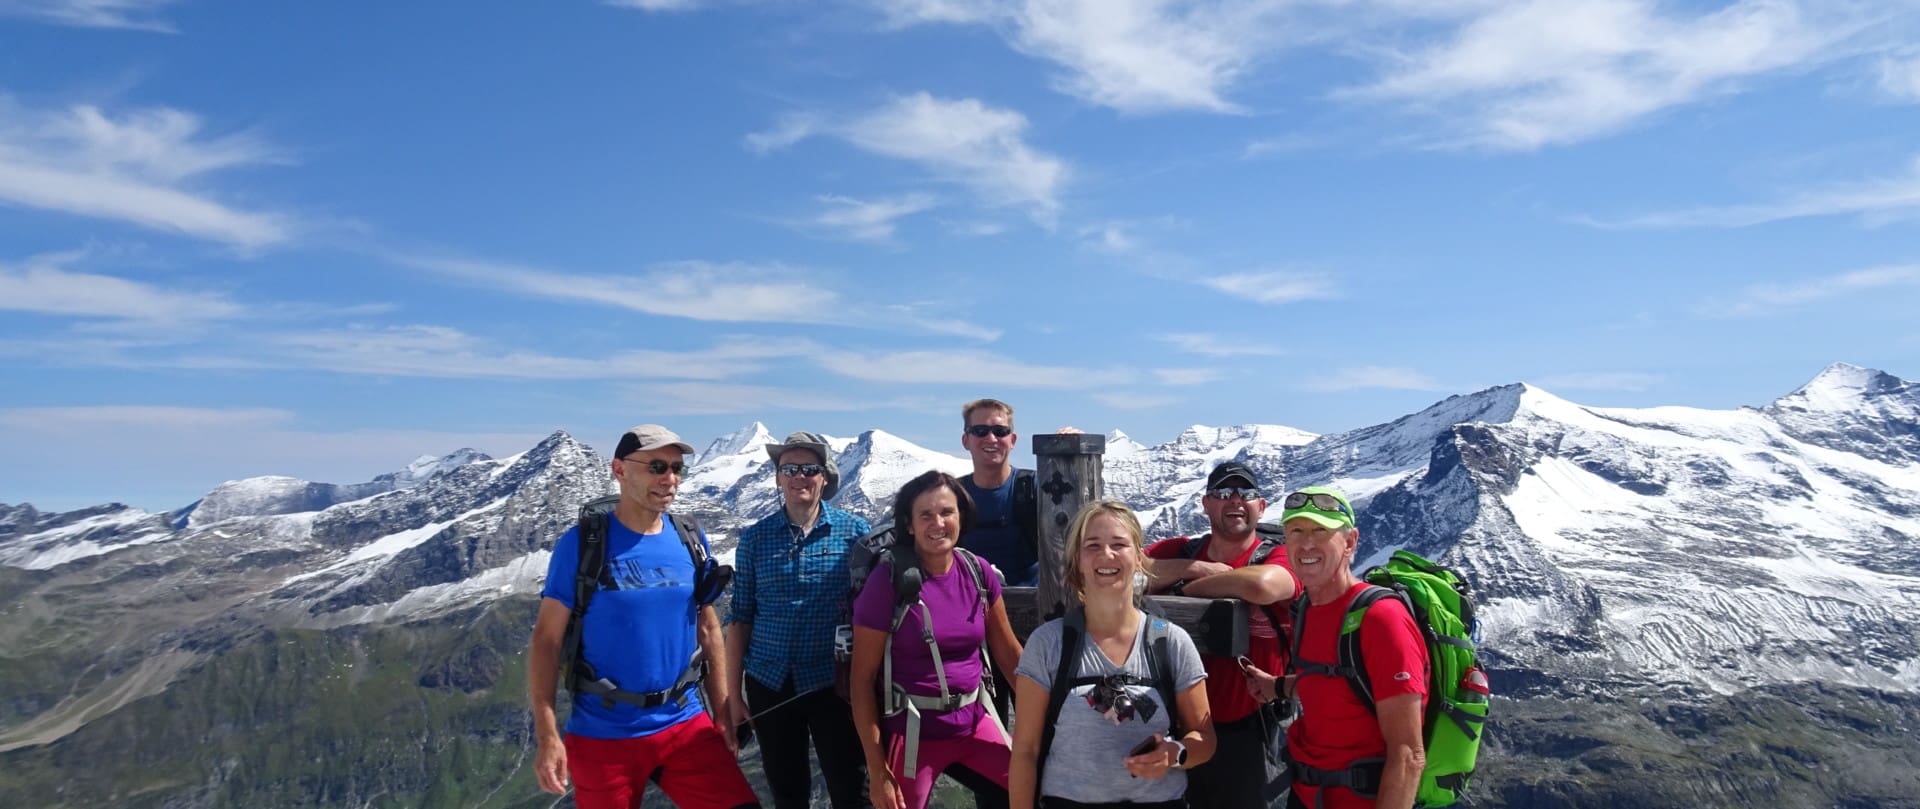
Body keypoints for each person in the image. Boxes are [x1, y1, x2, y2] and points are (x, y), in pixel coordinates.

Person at [528, 424, 759, 809]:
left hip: (685, 724)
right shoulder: (581, 545)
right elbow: (546, 641)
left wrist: (722, 705)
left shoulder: (689, 537)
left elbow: (707, 625)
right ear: (619, 470)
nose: (670, 479)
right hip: (603, 735)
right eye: (656, 466)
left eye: (677, 468)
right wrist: (548, 734)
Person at [1010, 500, 1216, 809]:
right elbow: (1025, 750)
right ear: (1077, 561)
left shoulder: (1170, 642)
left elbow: (1204, 738)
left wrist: (1175, 753)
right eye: (1092, 545)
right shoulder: (1048, 644)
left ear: (1138, 557)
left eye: (1119, 544)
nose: (1106, 555)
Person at [850, 470, 1025, 809]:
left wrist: (1048, 725)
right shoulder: (886, 582)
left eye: (947, 512)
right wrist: (877, 769)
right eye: (926, 515)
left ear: (962, 516)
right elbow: (862, 679)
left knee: (1032, 790)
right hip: (914, 735)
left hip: (974, 722)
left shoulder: (977, 572)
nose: (938, 523)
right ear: (910, 524)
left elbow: (1009, 656)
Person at [722, 431, 868, 809]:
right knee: (788, 792)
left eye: (808, 469)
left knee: (851, 786)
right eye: (789, 469)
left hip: (833, 685)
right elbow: (740, 621)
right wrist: (732, 694)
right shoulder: (754, 539)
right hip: (768, 683)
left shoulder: (855, 533)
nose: (798, 477)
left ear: (824, 476)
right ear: (777, 478)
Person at [1258, 487, 1427, 809]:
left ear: (1349, 542)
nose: (1307, 543)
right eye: (1296, 531)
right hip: (1307, 794)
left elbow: (1408, 754)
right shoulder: (1308, 607)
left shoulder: (1381, 618)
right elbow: (1336, 685)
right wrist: (1277, 686)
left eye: (1321, 531)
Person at [1144, 461, 1298, 809]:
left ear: (1261, 506)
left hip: (1253, 732)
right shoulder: (1182, 552)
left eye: (1246, 493)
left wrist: (1189, 589)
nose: (1235, 501)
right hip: (1175, 728)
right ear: (1206, 503)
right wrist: (1191, 567)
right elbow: (1118, 571)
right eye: (1223, 493)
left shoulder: (1276, 555)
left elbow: (1262, 584)